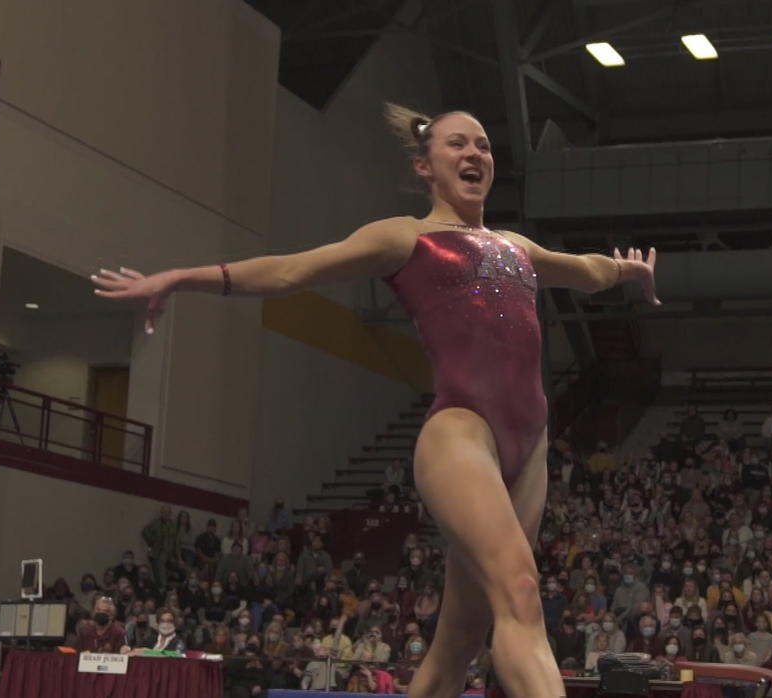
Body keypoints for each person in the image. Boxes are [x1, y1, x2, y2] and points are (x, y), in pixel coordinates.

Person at [92, 104, 662, 698]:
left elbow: (586, 270)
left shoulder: (517, 246)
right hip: (463, 434)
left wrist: (629, 274)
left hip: (530, 446)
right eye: (458, 145)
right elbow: (291, 271)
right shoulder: (405, 237)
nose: (475, 155)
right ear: (425, 166)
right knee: (519, 591)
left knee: (459, 640)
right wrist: (181, 277)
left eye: (485, 145)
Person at [142, 505, 179, 586]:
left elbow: (176, 542)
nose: (166, 514)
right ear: (161, 512)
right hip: (159, 553)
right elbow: (145, 531)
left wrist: (179, 557)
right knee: (161, 577)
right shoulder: (156, 522)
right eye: (165, 512)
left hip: (170, 555)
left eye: (168, 512)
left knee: (177, 571)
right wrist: (152, 541)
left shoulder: (173, 525)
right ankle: (162, 588)